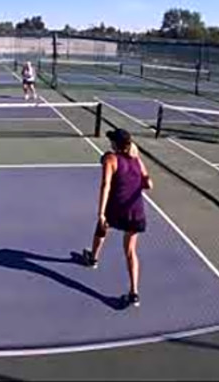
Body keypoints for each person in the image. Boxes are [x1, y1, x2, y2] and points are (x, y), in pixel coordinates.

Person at [82, 129, 153, 307]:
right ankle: (134, 293)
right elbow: (149, 184)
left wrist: (101, 212)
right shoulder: (137, 160)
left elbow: (105, 185)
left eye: (112, 139)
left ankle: (93, 259)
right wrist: (142, 181)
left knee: (102, 226)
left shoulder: (110, 159)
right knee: (130, 252)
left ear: (115, 143)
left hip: (116, 210)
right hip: (135, 212)